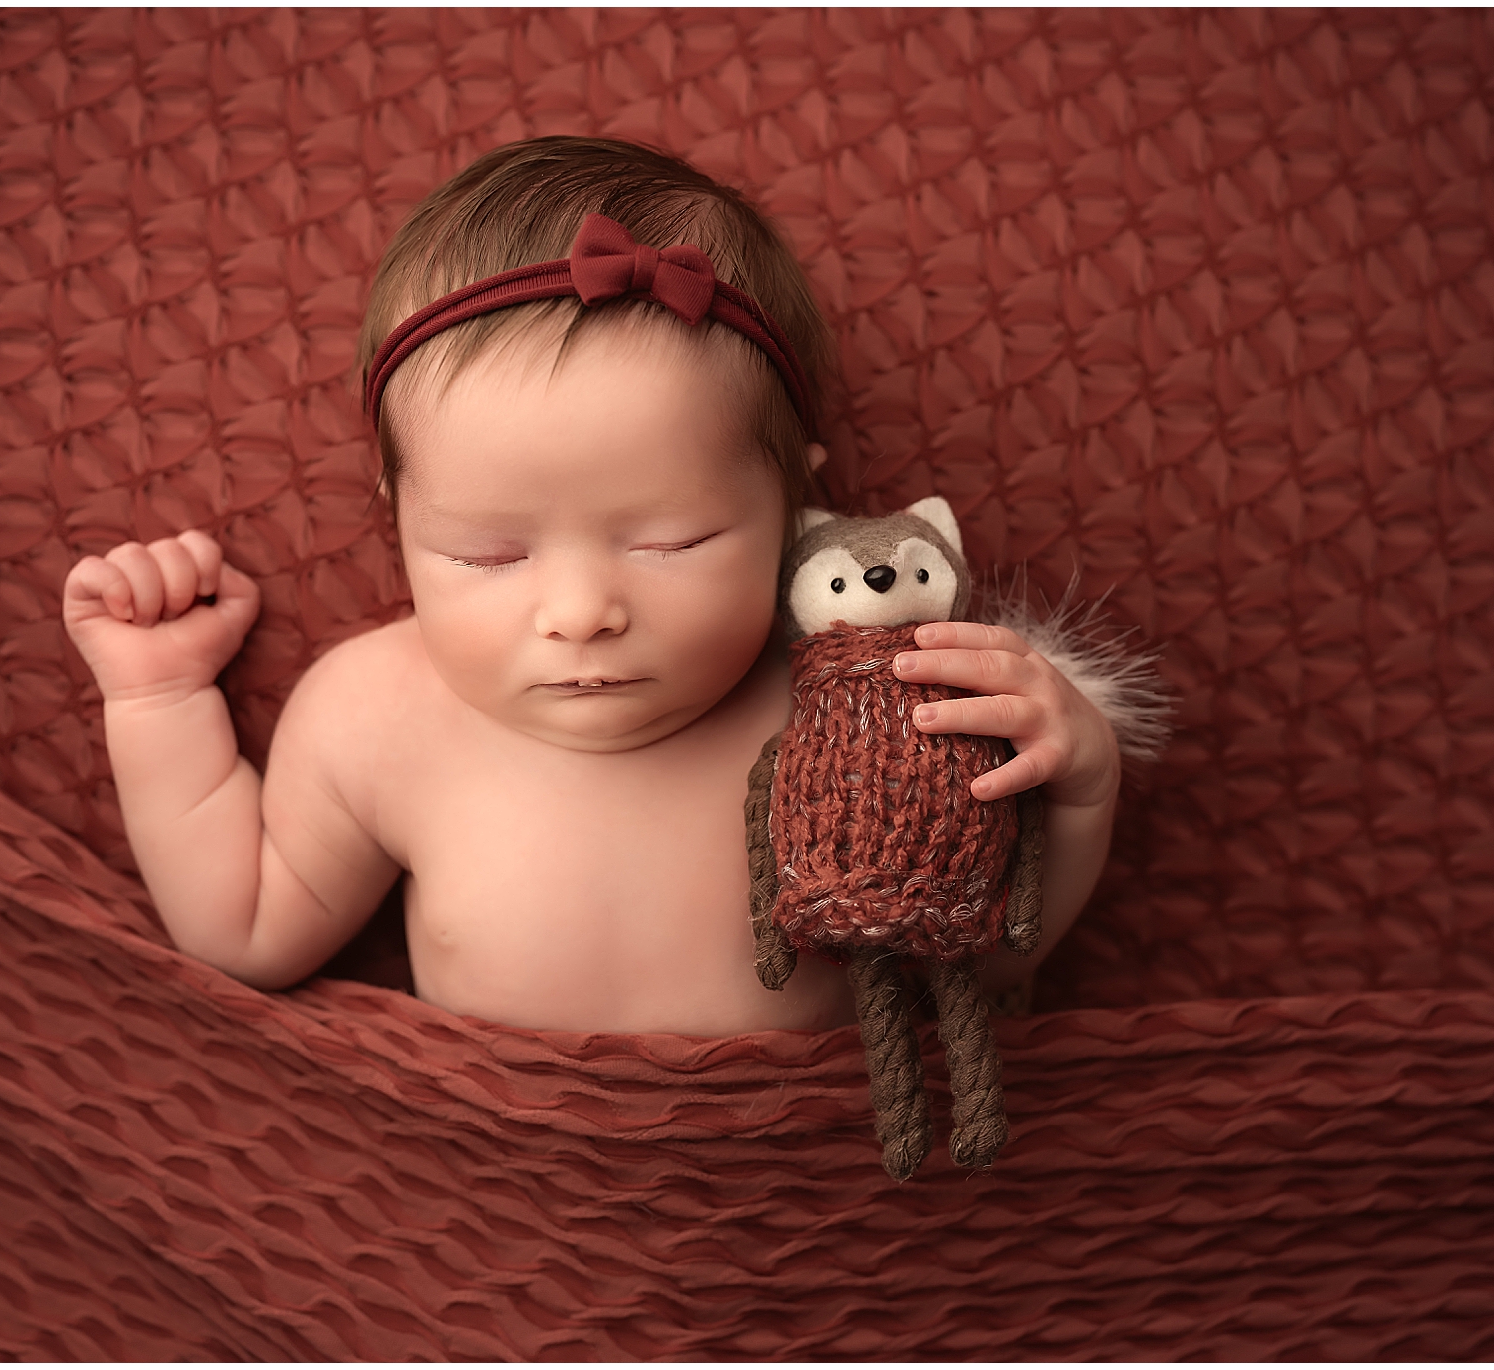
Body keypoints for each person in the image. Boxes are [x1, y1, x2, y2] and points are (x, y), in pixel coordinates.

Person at [60, 136, 1120, 1036]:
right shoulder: (375, 716)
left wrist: (1076, 792)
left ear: (796, 505)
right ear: (394, 514)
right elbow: (241, 930)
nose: (578, 612)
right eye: (485, 553)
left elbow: (973, 970)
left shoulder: (851, 712)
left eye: (672, 539)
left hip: (806, 1185)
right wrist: (158, 700)